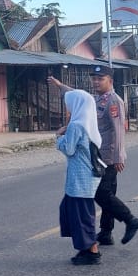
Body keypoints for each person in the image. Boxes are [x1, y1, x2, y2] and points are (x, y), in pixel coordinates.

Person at [48, 65, 138, 247]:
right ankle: (106, 233)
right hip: (97, 156)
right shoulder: (96, 99)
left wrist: (118, 157)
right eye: (94, 78)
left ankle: (131, 220)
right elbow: (77, 96)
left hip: (107, 157)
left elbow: (118, 131)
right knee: (107, 194)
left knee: (102, 194)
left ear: (110, 81)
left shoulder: (113, 101)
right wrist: (60, 85)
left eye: (101, 79)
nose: (96, 82)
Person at [55, 89, 103, 266]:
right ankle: (85, 248)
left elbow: (68, 149)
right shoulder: (87, 122)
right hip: (86, 178)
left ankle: (92, 251)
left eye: (69, 104)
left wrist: (58, 136)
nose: (67, 108)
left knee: (82, 215)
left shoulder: (76, 125)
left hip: (80, 179)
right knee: (74, 212)